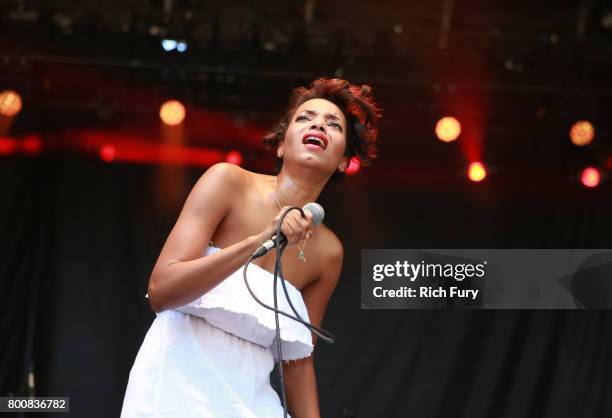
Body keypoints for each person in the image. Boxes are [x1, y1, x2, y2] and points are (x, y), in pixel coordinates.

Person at [121, 78, 381, 418]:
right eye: (305, 118)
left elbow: (298, 362)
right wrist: (259, 240)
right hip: (175, 386)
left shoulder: (328, 252)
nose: (318, 124)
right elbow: (161, 291)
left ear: (344, 161)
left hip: (251, 400)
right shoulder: (227, 182)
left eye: (333, 124)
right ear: (281, 145)